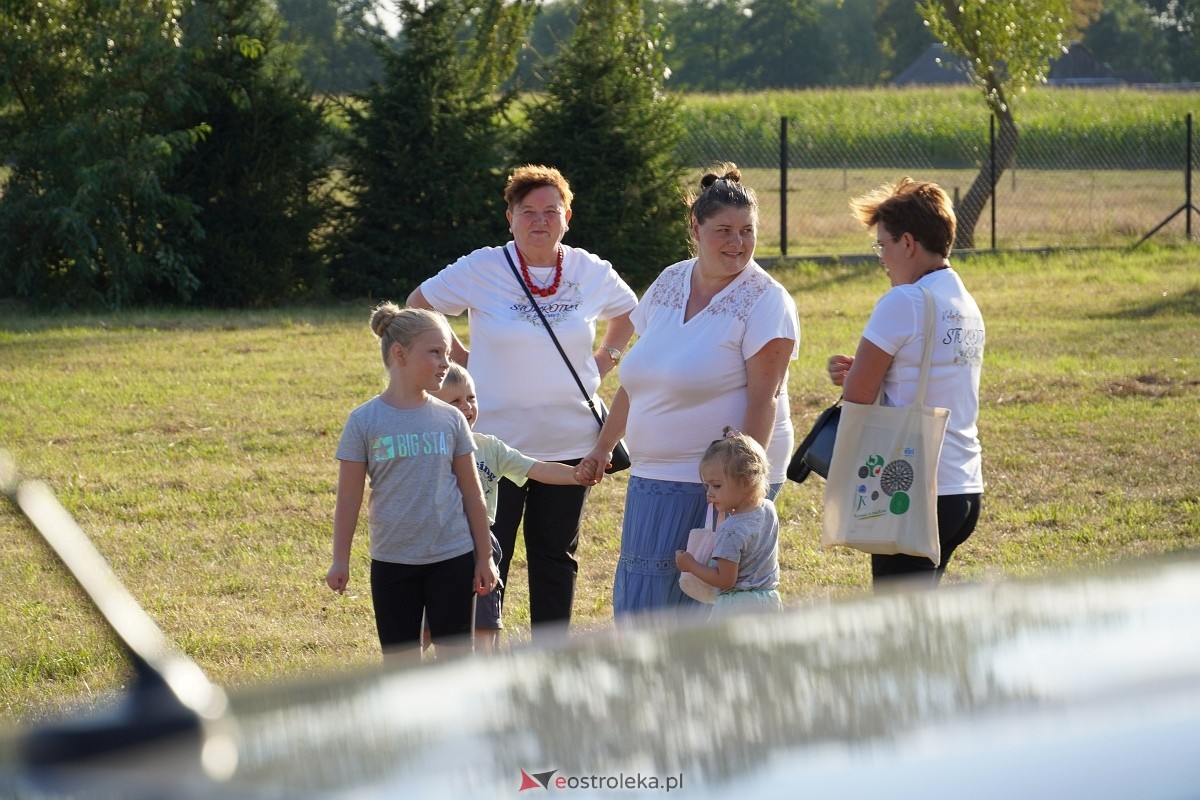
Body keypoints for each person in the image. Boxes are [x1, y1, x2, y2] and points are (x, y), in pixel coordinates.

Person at [407, 165, 636, 636]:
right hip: (494, 443)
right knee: (488, 553)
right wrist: (461, 358)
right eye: (527, 211)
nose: (539, 221)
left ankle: (548, 660)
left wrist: (604, 360)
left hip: (570, 442)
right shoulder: (483, 267)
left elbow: (631, 312)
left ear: (567, 217)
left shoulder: (588, 270)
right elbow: (419, 305)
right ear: (509, 217)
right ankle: (481, 659)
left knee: (556, 556)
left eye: (550, 211)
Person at [580, 163, 799, 622]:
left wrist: (740, 493)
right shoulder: (670, 280)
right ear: (696, 229)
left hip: (719, 487)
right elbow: (639, 377)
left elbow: (765, 400)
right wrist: (603, 447)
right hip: (652, 478)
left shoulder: (766, 300)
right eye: (724, 231)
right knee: (643, 604)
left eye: (747, 231)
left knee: (692, 610)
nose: (737, 243)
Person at [826, 177, 985, 590]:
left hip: (913, 489)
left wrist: (858, 374)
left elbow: (857, 395)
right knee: (920, 626)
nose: (882, 258)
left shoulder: (904, 301)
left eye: (884, 245)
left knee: (897, 634)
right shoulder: (965, 303)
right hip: (963, 487)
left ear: (909, 243)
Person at [326, 303, 499, 662]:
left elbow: (471, 492)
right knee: (401, 664)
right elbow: (348, 498)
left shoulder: (450, 419)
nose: (445, 363)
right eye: (435, 352)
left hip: (452, 557)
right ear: (399, 353)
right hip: (392, 562)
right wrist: (339, 560)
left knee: (456, 662)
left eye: (447, 354)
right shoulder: (364, 421)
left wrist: (485, 557)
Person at [429, 363, 595, 652]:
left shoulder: (490, 447)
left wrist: (574, 475)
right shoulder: (426, 448)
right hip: (435, 547)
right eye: (455, 401)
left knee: (484, 629)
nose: (467, 406)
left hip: (481, 547)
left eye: (471, 398)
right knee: (429, 628)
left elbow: (536, 468)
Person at [676, 429, 782, 615]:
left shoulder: (730, 530)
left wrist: (690, 565)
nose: (709, 493)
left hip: (737, 610)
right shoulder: (767, 509)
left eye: (716, 485)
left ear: (746, 480)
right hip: (769, 601)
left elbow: (725, 580)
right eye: (707, 486)